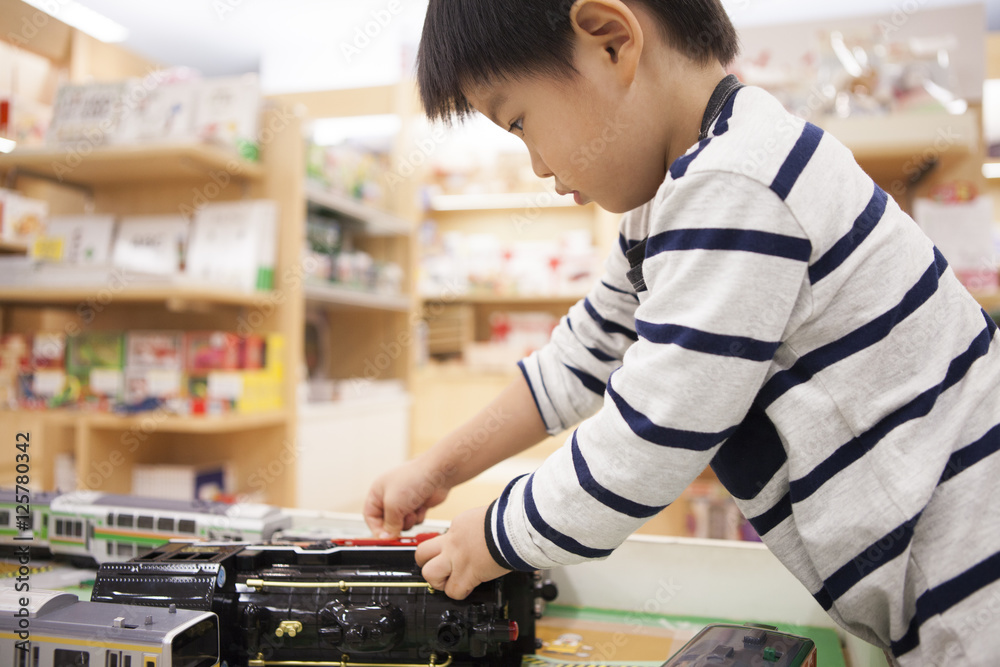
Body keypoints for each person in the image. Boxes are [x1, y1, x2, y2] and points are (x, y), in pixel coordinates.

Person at [363, 1, 1000, 664]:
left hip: (973, 577)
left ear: (612, 40)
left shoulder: (736, 180)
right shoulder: (668, 200)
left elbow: (648, 439)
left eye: (521, 121)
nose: (539, 167)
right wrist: (437, 467)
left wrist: (494, 535)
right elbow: (577, 361)